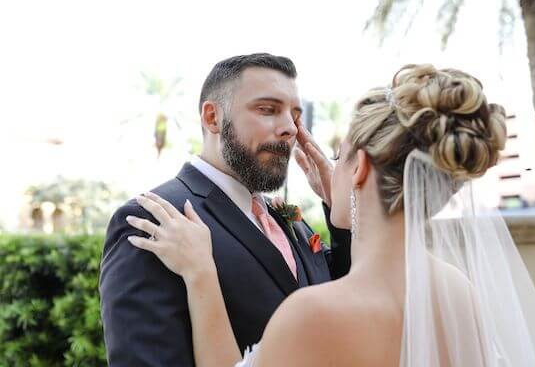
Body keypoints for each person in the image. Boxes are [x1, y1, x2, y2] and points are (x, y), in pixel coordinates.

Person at [127, 64, 535, 366]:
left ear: (359, 167)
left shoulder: (312, 315)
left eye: (339, 157)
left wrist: (201, 276)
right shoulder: (458, 294)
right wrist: (347, 203)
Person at [99, 53, 352, 366]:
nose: (290, 128)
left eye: (295, 116)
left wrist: (338, 208)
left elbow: (347, 298)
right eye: (268, 110)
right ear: (212, 118)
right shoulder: (153, 219)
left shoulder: (287, 220)